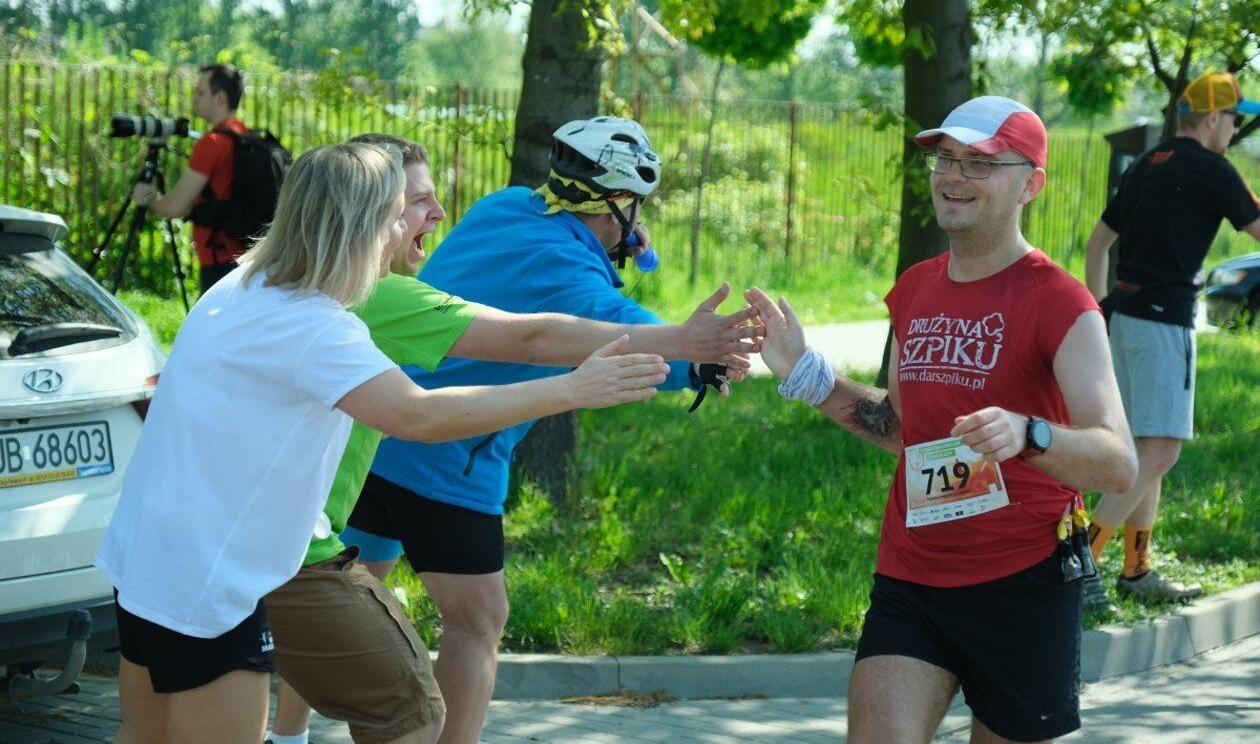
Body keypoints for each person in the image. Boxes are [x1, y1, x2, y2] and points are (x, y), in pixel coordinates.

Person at [95, 142, 673, 744]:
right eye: (398, 214)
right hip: (209, 582)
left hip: (146, 558)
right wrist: (572, 389)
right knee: (412, 713)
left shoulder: (243, 285)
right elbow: (417, 416)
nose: (408, 227)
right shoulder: (317, 325)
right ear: (362, 224)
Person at [264, 132, 757, 744]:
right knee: (477, 622)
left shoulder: (503, 207)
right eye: (636, 206)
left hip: (372, 436)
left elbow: (563, 264)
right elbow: (605, 329)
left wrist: (618, 239)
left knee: (343, 590)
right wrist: (696, 358)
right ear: (617, 204)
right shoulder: (568, 272)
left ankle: (287, 736)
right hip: (452, 454)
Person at [747, 96, 1137, 744]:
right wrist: (806, 375)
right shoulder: (916, 288)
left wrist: (1029, 433)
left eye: (980, 163)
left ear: (1030, 184)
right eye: (946, 159)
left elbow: (1118, 461)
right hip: (913, 576)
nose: (954, 176)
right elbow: (902, 429)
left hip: (1023, 583)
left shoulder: (1060, 302)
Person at [1083, 72, 1260, 607]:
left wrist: (1098, 310)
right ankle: (1078, 562)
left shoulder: (1148, 162)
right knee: (1161, 450)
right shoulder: (1213, 169)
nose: (1234, 130)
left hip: (1122, 318)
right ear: (1212, 118)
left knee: (1144, 446)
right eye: (1233, 119)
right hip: (1164, 324)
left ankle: (1136, 572)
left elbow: (1097, 244)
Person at [129, 63, 250, 292]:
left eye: (201, 92)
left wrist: (147, 196)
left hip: (218, 258)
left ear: (220, 98)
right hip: (246, 256)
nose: (195, 99)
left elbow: (174, 208)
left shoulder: (212, 143)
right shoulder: (244, 136)